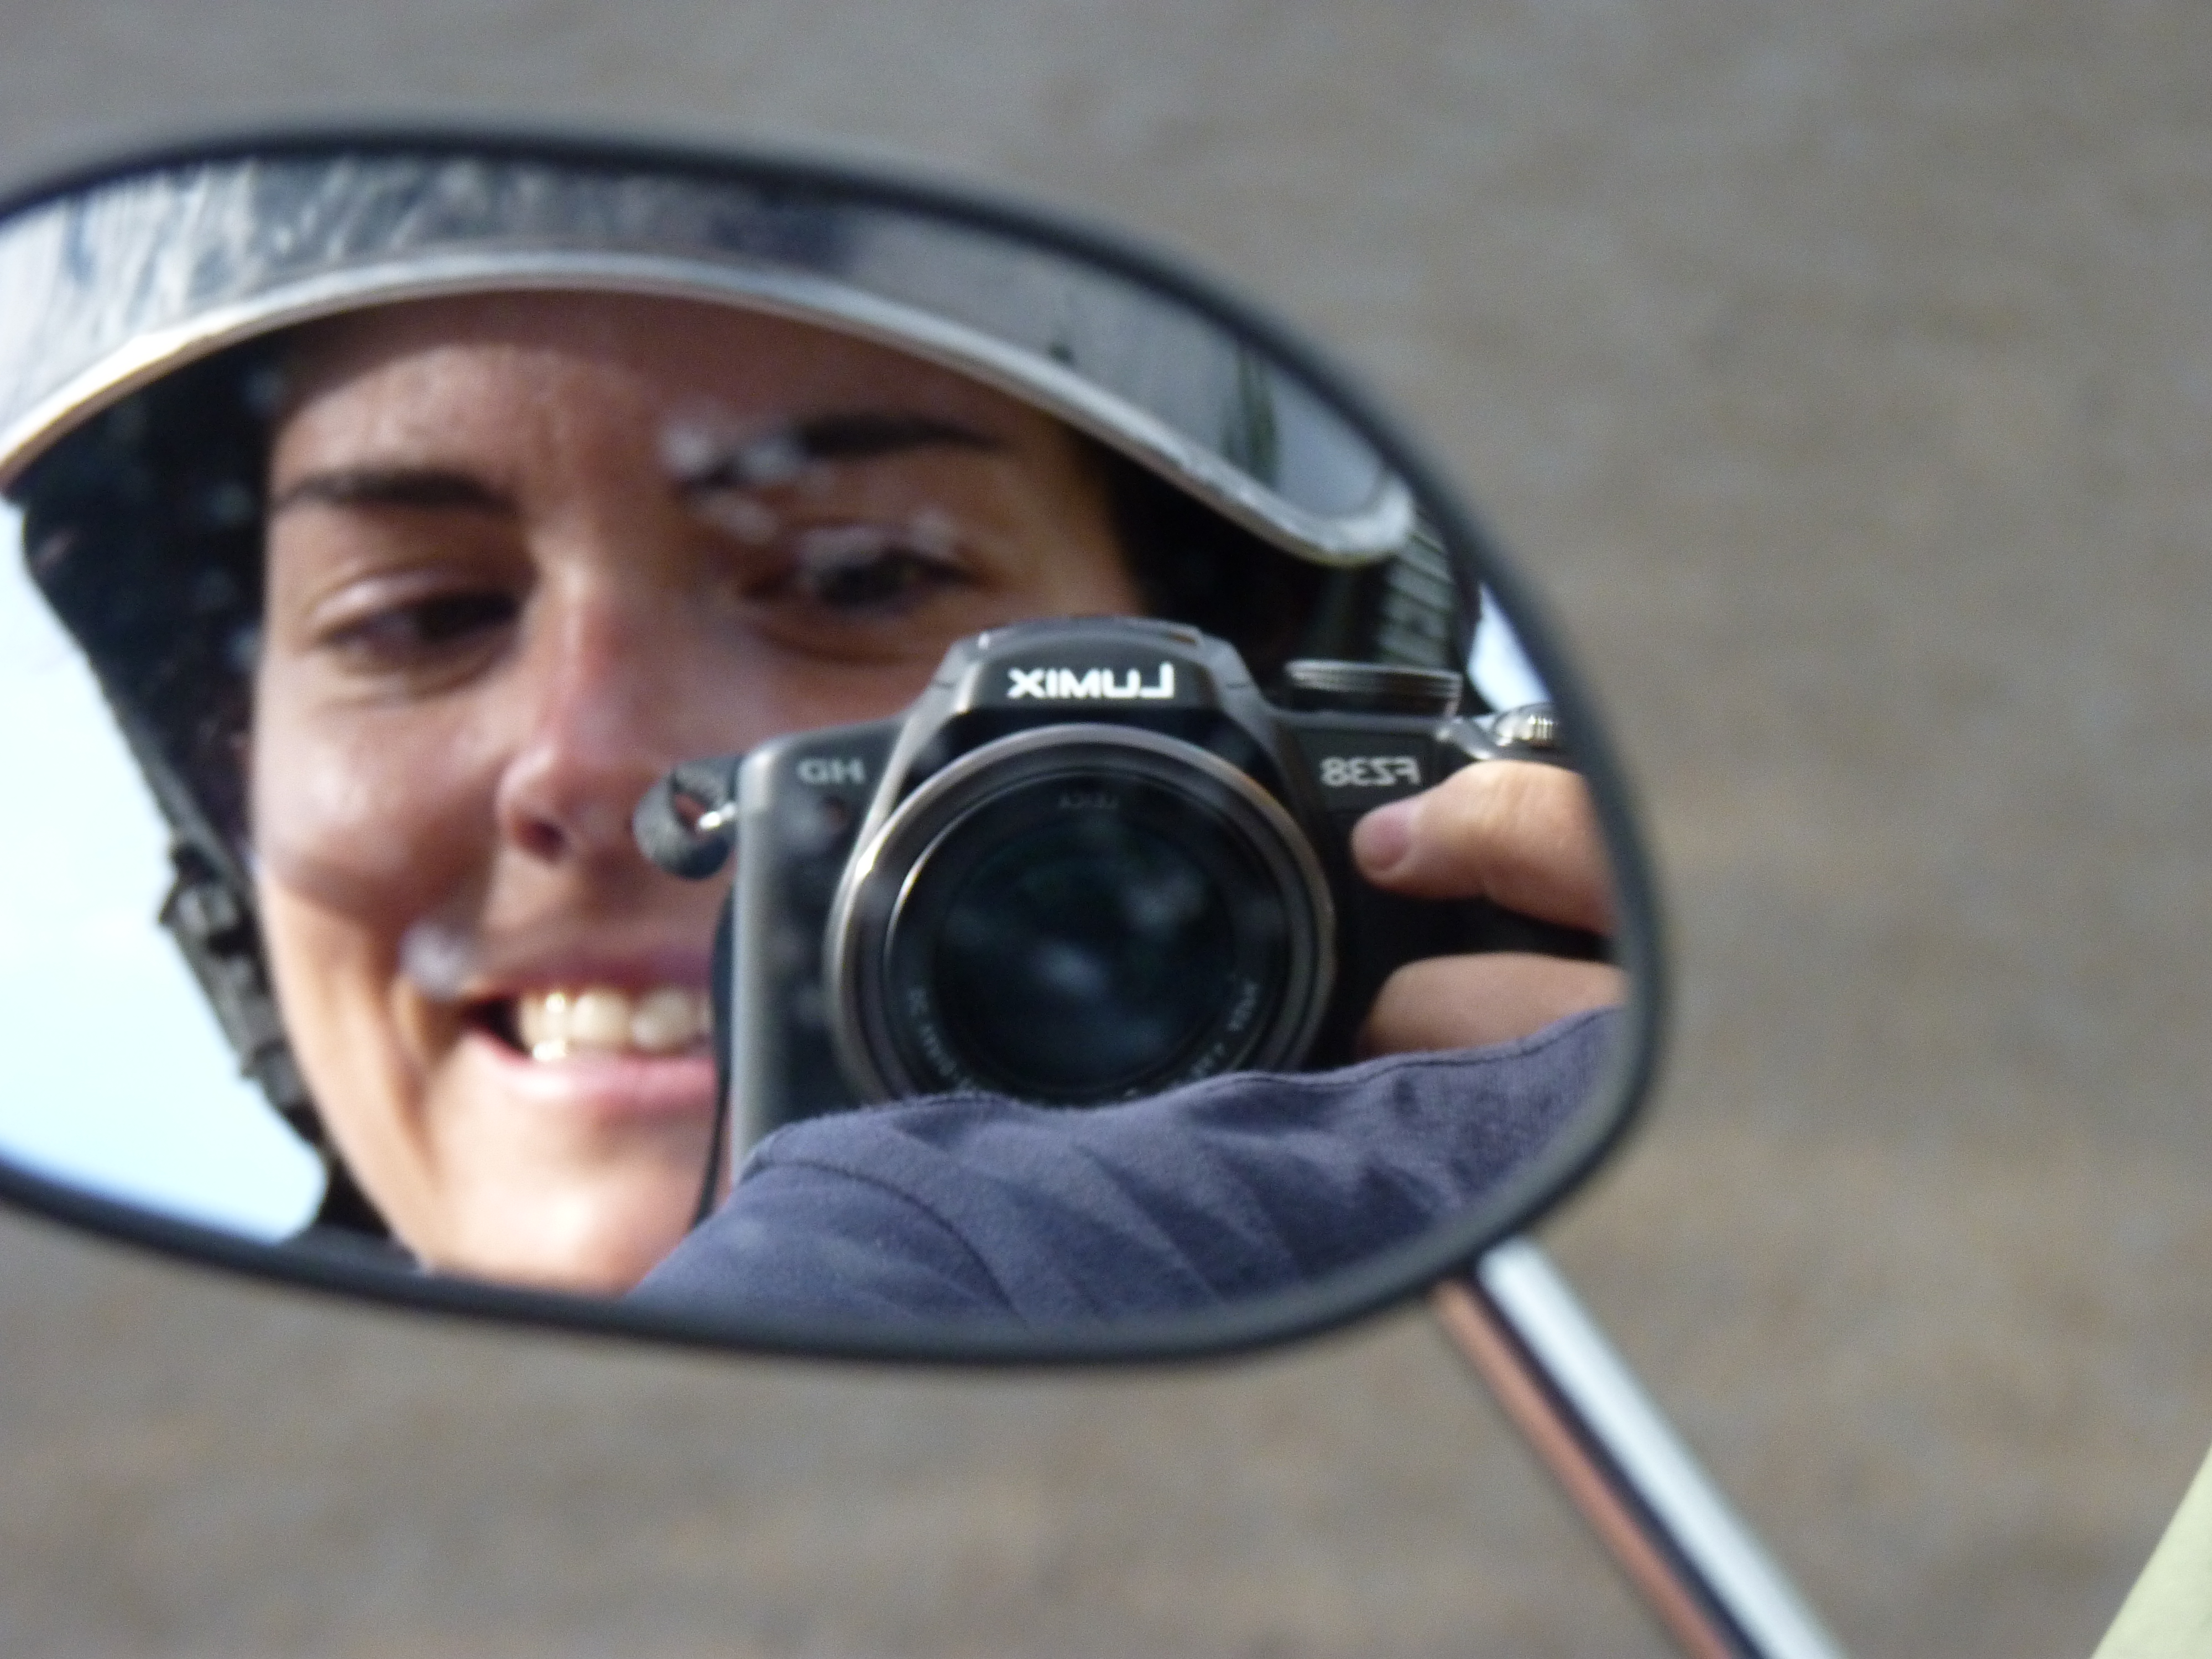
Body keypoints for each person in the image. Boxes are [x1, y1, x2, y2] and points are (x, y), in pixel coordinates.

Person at [11, 170, 1620, 1301]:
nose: (589, 763)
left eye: (858, 576)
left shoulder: (1568, 1387)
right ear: (226, 790)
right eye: (415, 618)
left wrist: (1632, 1238)